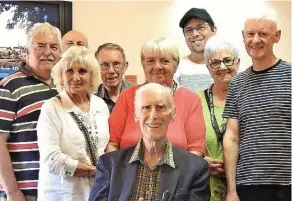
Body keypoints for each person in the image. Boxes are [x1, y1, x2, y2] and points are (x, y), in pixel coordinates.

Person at [89, 83, 210, 201]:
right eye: (146, 107)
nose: (153, 115)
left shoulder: (196, 169)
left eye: (160, 107)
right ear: (136, 114)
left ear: (173, 113)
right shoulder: (109, 165)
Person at [223, 8, 291, 201]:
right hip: (248, 185)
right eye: (250, 34)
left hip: (287, 183)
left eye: (263, 34)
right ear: (243, 36)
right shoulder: (237, 83)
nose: (255, 40)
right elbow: (232, 138)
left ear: (277, 37)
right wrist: (231, 191)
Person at [107, 37, 206, 157]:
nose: (157, 66)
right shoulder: (127, 96)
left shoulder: (191, 99)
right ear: (143, 65)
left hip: (177, 174)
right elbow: (112, 144)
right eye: (150, 61)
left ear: (175, 65)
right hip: (128, 173)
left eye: (164, 61)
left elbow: (195, 150)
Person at [36, 46, 110, 201]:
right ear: (61, 76)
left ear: (92, 77)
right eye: (69, 71)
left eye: (82, 71)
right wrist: (95, 171)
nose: (75, 77)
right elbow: (51, 159)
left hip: (99, 192)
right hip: (64, 194)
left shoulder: (100, 105)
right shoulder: (51, 108)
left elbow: (106, 145)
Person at [0, 22, 61, 201]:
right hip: (26, 194)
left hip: (59, 189)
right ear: (27, 51)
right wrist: (12, 192)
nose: (48, 52)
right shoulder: (9, 87)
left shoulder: (63, 86)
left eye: (54, 47)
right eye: (40, 46)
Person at [198, 36, 240, 201]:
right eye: (215, 63)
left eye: (227, 60)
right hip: (204, 188)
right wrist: (199, 162)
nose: (222, 67)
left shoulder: (249, 100)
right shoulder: (195, 101)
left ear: (237, 63)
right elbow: (182, 142)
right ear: (208, 68)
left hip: (244, 187)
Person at [174, 7, 216, 92]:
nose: (195, 34)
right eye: (189, 30)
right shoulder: (177, 67)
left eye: (200, 27)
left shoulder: (228, 64)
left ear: (214, 30)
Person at [95, 43, 133, 113]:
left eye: (116, 64)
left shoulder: (138, 93)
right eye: (105, 65)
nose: (111, 71)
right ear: (97, 68)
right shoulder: (91, 99)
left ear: (125, 67)